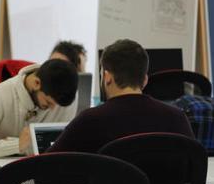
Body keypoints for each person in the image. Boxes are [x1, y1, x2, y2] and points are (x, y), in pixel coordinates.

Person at [48, 39, 192, 153]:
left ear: (107, 77)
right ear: (145, 80)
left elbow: (44, 172)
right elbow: (194, 169)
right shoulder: (176, 117)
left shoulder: (90, 120)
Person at [0, 59, 78, 158]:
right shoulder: (1, 94)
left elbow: (63, 145)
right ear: (36, 83)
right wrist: (17, 145)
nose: (53, 109)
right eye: (48, 102)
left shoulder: (64, 100)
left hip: (43, 168)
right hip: (0, 167)